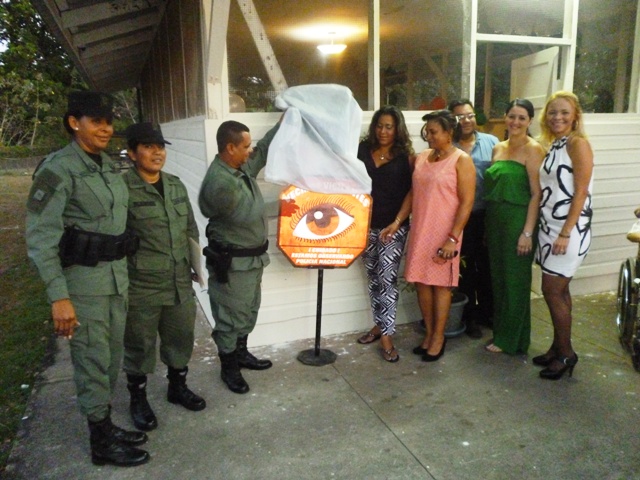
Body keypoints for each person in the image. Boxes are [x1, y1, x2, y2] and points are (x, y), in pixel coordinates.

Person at [25, 91, 149, 467]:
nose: (106, 129)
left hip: (116, 280)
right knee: (93, 360)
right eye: (96, 121)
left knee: (110, 359)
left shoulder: (107, 166)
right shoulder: (58, 169)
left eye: (109, 122)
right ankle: (100, 442)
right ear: (73, 123)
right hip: (84, 285)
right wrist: (58, 297)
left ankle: (105, 423)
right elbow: (41, 238)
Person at [122, 123, 206, 432]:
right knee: (139, 343)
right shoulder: (121, 189)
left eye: (160, 147)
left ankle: (177, 387)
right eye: (148, 147)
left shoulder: (175, 185)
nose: (157, 153)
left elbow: (190, 228)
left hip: (179, 280)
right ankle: (138, 398)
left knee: (180, 337)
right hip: (141, 284)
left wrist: (195, 263)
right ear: (132, 153)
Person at [198, 120, 279, 394]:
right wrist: (290, 204)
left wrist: (285, 122)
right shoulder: (221, 184)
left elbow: (263, 150)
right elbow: (250, 212)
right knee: (230, 319)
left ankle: (241, 353)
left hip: (251, 261)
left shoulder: (236, 166)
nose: (250, 150)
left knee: (247, 311)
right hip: (233, 265)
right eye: (246, 146)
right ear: (230, 148)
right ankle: (229, 367)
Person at [405, 110, 475, 362]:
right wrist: (398, 220)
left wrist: (453, 238)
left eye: (434, 132)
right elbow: (413, 193)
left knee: (441, 286)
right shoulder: (423, 157)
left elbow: (466, 202)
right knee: (421, 283)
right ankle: (428, 333)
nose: (429, 136)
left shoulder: (461, 160)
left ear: (449, 133)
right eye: (427, 132)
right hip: (421, 228)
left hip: (445, 232)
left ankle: (438, 337)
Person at [533, 91, 594, 380]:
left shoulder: (577, 144)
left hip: (569, 231)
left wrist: (566, 232)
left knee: (552, 290)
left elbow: (581, 192)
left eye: (564, 112)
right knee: (560, 291)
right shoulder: (555, 145)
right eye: (553, 112)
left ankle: (567, 354)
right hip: (550, 228)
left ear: (575, 116)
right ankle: (558, 347)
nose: (557, 117)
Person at [484, 99, 546, 355]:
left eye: (522, 118)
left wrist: (527, 233)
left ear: (530, 121)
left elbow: (536, 194)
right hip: (495, 220)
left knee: (515, 281)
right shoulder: (498, 147)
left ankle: (512, 339)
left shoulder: (534, 149)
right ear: (505, 117)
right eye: (512, 116)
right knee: (498, 280)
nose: (516, 122)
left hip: (519, 221)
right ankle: (504, 334)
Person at [355, 106, 414, 363]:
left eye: (389, 126)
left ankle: (387, 337)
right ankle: (379, 325)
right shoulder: (362, 150)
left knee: (387, 280)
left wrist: (398, 222)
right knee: (373, 278)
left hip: (393, 227)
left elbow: (413, 193)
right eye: (379, 125)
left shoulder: (406, 157)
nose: (383, 131)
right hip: (364, 226)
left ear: (397, 129)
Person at [448, 99, 499, 338]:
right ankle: (469, 318)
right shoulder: (448, 146)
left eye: (469, 115)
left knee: (486, 267)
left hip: (486, 215)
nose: (466, 120)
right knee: (465, 270)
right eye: (459, 117)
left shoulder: (492, 143)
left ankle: (487, 313)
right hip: (460, 218)